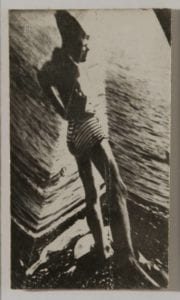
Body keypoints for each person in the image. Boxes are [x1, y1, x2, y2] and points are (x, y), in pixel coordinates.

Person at [38, 10, 161, 287]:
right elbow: (82, 104)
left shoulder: (52, 67)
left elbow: (45, 84)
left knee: (91, 195)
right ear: (71, 42)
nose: (87, 47)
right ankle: (126, 258)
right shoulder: (74, 69)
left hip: (73, 135)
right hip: (88, 128)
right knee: (117, 187)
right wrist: (82, 108)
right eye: (84, 42)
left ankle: (103, 249)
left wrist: (63, 110)